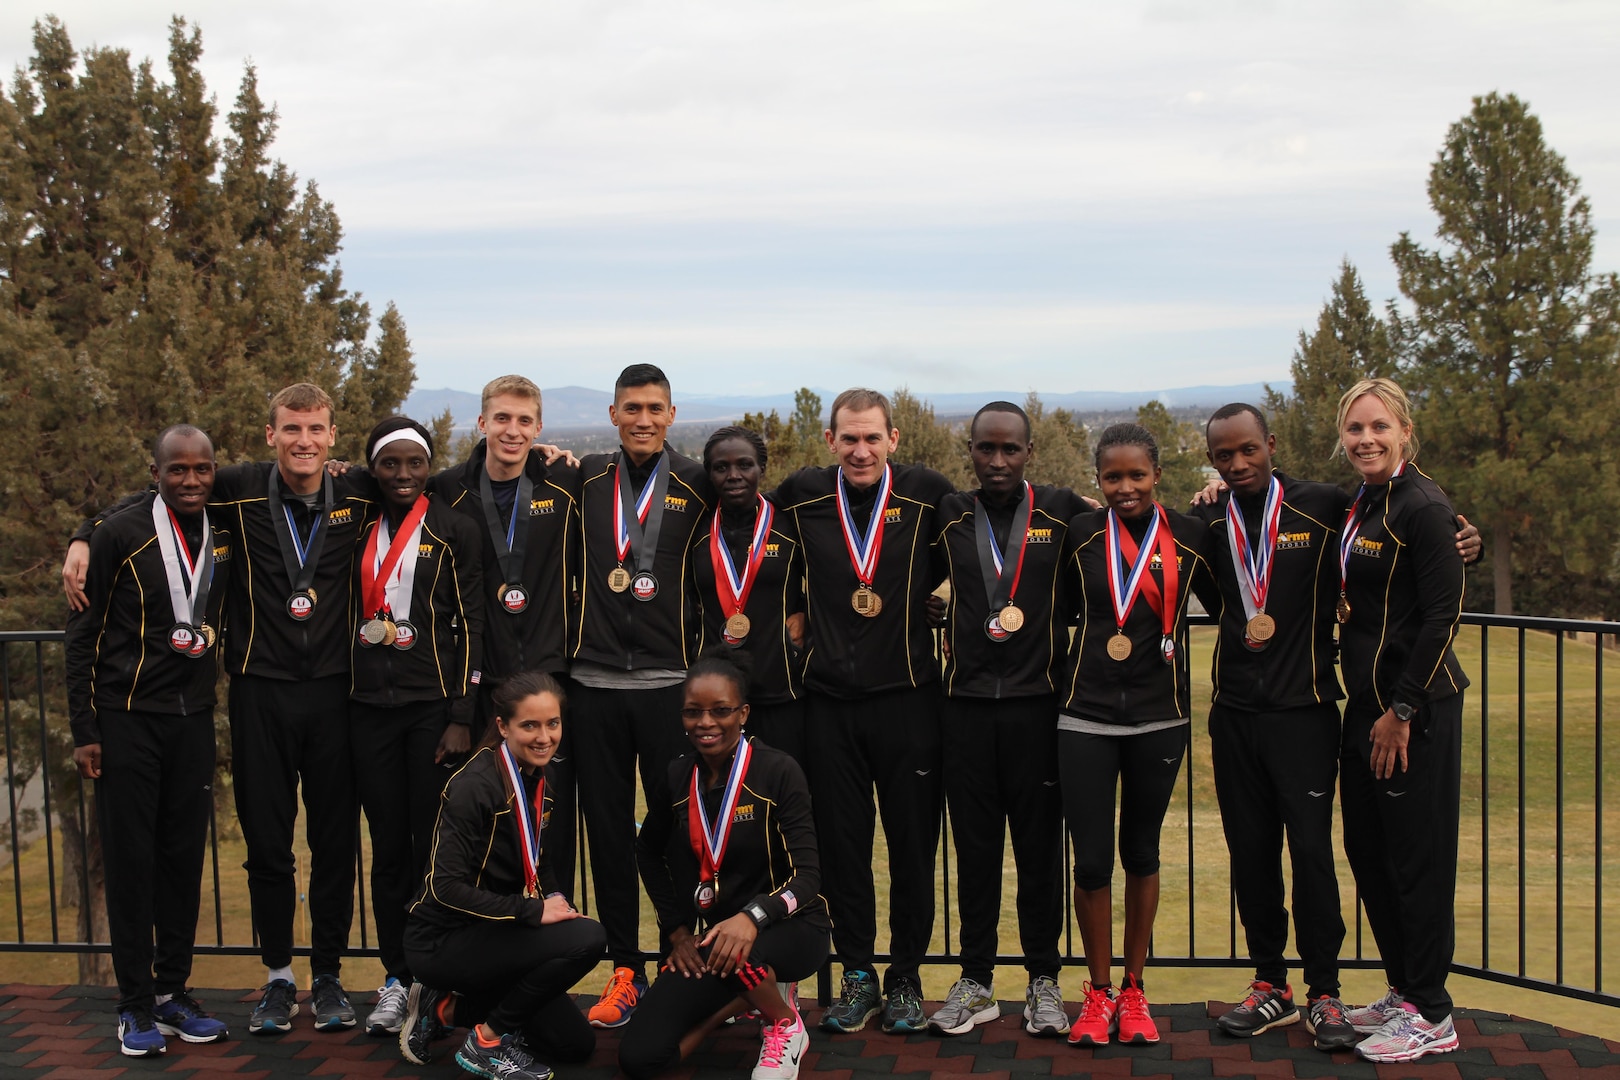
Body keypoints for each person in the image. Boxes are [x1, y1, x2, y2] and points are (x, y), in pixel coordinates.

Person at [64, 382, 373, 1034]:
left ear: (333, 435)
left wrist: (544, 460)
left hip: (334, 694)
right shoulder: (235, 486)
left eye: (316, 429)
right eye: (292, 428)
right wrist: (84, 533)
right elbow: (155, 494)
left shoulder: (358, 490)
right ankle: (276, 979)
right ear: (271, 435)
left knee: (334, 843)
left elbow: (438, 486)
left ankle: (328, 977)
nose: (305, 441)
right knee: (267, 849)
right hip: (255, 692)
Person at [1193, 402, 1481, 1051]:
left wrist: (1468, 536)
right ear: (1211, 460)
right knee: (1257, 856)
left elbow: (1428, 534)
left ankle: (1326, 993)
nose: (1237, 464)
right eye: (1223, 456)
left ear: (1271, 444)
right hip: (1236, 714)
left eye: (1248, 450)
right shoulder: (1210, 515)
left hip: (1310, 713)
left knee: (1317, 858)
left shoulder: (1323, 504)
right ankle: (1272, 985)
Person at [771, 388, 954, 1034]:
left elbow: (993, 531)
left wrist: (947, 599)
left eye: (873, 437)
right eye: (848, 438)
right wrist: (793, 604)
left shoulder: (928, 492)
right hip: (829, 705)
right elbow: (736, 522)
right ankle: (857, 976)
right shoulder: (802, 494)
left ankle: (905, 978)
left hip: (908, 702)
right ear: (830, 441)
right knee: (843, 851)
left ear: (894, 439)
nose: (860, 450)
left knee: (911, 849)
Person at [924, 402, 1093, 1038]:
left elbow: (1135, 530)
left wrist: (1211, 499)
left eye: (1011, 450)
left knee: (1040, 853)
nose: (998, 461)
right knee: (974, 853)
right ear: (969, 450)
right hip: (965, 709)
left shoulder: (1063, 511)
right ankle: (975, 981)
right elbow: (905, 570)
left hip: (1039, 709)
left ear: (1029, 452)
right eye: (986, 449)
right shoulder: (949, 514)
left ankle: (1044, 980)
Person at [64, 425, 234, 1056]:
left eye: (202, 469)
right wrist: (86, 730)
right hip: (126, 719)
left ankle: (172, 994)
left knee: (182, 862)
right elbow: (81, 635)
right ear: (155, 472)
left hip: (193, 721)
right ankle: (133, 1006)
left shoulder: (222, 525)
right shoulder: (121, 533)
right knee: (133, 864)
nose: (191, 480)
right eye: (177, 470)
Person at [1057, 423, 1218, 1048]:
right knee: (1092, 860)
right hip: (1084, 717)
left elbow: (1230, 600)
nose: (1125, 488)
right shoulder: (1079, 535)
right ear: (1098, 481)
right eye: (1112, 477)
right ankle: (1096, 994)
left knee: (1141, 854)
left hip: (1160, 717)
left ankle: (1134, 988)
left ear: (1156, 475)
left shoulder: (1193, 535)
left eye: (1137, 476)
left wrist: (1220, 499)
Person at [1329, 378, 1469, 1063]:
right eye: (1355, 429)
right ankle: (1403, 989)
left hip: (1415, 712)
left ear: (1404, 430)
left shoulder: (1421, 505)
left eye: (1379, 427)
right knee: (1369, 852)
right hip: (1367, 710)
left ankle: (1433, 1012)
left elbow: (1444, 615)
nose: (1366, 439)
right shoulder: (1364, 502)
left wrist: (1403, 709)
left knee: (1418, 861)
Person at [571, 364, 714, 1026]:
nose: (643, 419)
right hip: (593, 684)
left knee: (675, 830)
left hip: (667, 685)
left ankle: (679, 956)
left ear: (672, 413)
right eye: (632, 407)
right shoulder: (584, 479)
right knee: (606, 832)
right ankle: (624, 968)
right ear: (612, 413)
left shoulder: (698, 483)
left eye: (655, 408)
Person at [621, 650, 830, 1080]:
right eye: (693, 712)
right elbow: (647, 851)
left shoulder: (778, 771)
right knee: (640, 1058)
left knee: (744, 951)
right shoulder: (678, 776)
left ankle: (784, 1024)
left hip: (792, 928)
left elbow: (809, 877)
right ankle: (752, 995)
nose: (706, 723)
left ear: (744, 713)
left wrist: (753, 917)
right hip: (718, 946)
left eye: (721, 711)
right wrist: (678, 931)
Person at [348, 416, 486, 1036]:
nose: (403, 475)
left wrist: (462, 716)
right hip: (368, 711)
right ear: (372, 469)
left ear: (429, 466)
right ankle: (396, 977)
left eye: (415, 463)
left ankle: (435, 976)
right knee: (387, 850)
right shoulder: (353, 527)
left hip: (433, 711)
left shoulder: (455, 528)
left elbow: (474, 624)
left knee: (434, 848)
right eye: (389, 464)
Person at [398, 671, 605, 1080]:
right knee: (591, 938)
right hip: (443, 939)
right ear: (502, 727)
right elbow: (443, 888)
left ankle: (442, 1008)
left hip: (500, 931)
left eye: (553, 723)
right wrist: (532, 913)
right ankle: (486, 1041)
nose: (544, 736)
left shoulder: (544, 772)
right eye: (529, 725)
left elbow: (538, 858)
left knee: (575, 1045)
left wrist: (558, 903)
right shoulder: (473, 786)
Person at [428, 376, 583, 903]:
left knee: (552, 824)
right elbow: (384, 487)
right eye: (501, 418)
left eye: (523, 421)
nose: (511, 431)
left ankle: (554, 937)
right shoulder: (447, 489)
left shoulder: (563, 481)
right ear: (481, 423)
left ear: (539, 427)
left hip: (548, 679)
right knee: (481, 821)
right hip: (482, 683)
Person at [690, 426, 808, 760]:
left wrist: (806, 615)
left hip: (783, 692)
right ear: (709, 474)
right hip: (714, 701)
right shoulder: (696, 532)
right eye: (721, 467)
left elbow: (826, 580)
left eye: (745, 465)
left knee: (786, 795)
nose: (734, 475)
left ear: (761, 469)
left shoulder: (788, 525)